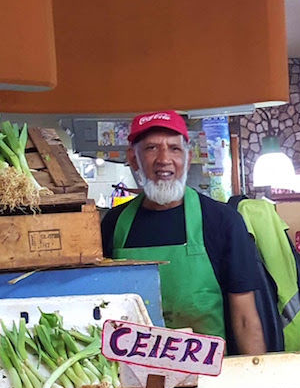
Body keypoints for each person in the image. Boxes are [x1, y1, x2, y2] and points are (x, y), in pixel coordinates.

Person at [101, 111, 266, 355]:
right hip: (134, 376)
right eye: (151, 148)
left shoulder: (223, 222)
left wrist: (255, 380)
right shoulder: (114, 225)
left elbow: (244, 318)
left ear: (188, 158)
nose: (164, 159)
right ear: (133, 159)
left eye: (174, 149)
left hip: (208, 379)